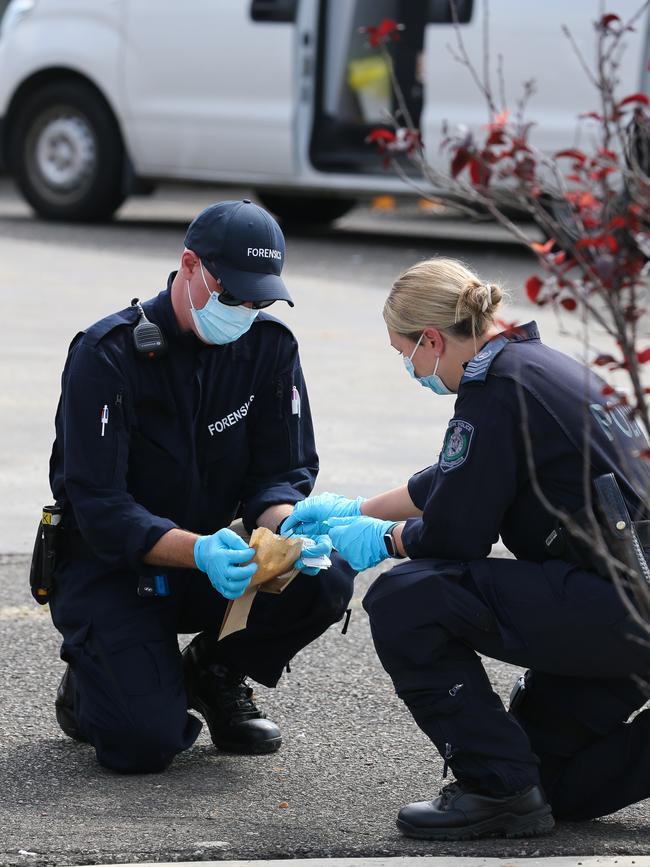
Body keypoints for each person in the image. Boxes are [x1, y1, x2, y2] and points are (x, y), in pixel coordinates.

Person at [283, 257, 650, 840]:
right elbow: (464, 476)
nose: (412, 368)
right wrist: (359, 509)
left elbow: (456, 534)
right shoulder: (541, 367)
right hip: (626, 603)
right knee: (552, 782)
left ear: (431, 339)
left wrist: (381, 541)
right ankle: (517, 788)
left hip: (619, 607)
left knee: (408, 596)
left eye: (407, 354)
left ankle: (494, 791)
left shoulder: (494, 387)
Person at [47, 199, 355, 774]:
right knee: (143, 747)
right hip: (118, 568)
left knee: (324, 575)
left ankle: (212, 672)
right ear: (190, 266)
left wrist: (283, 526)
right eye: (232, 295)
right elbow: (100, 507)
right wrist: (199, 550)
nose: (244, 310)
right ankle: (94, 678)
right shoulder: (106, 355)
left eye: (259, 299)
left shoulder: (269, 349)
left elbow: (278, 472)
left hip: (219, 558)